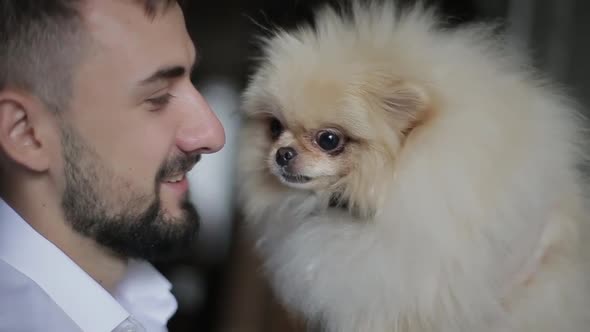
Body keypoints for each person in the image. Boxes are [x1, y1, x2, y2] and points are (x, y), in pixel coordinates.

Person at [0, 0, 225, 331]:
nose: (213, 134)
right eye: (158, 97)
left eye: (194, 79)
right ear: (27, 133)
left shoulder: (138, 301)